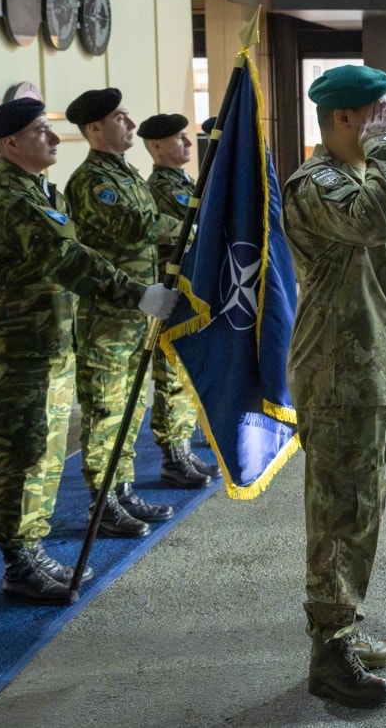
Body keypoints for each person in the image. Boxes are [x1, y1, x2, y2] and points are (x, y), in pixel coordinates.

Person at [0, 98, 179, 603]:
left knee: (44, 453)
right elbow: (68, 258)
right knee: (22, 455)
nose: (53, 138)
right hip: (19, 347)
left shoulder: (38, 189)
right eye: (41, 131)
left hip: (49, 341)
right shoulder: (11, 198)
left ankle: (30, 549)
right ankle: (19, 561)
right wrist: (136, 293)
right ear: (12, 143)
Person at [282, 64, 386, 708]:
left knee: (361, 512)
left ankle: (343, 626)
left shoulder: (356, 175)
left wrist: (377, 155)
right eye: (377, 114)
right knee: (340, 515)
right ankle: (329, 655)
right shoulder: (318, 183)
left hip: (367, 372)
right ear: (343, 118)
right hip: (339, 376)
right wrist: (384, 151)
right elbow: (377, 222)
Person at [65, 89, 183, 539]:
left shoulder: (126, 173)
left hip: (137, 313)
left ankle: (123, 488)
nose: (131, 124)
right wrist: (191, 229)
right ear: (95, 128)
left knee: (130, 408)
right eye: (121, 118)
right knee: (106, 409)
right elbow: (136, 225)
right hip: (107, 317)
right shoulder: (92, 181)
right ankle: (104, 501)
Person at [138, 113, 221, 489]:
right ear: (157, 147)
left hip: (188, 293)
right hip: (171, 293)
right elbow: (179, 233)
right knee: (170, 376)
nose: (188, 144)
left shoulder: (185, 182)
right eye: (179, 139)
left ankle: (183, 448)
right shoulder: (160, 188)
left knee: (184, 373)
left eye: (187, 137)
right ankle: (173, 455)